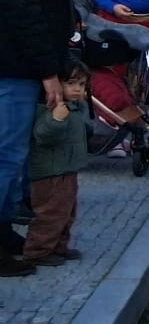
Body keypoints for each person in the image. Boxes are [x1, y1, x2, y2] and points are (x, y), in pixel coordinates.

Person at [0, 0, 77, 277]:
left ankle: (5, 234)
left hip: (24, 65)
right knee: (6, 156)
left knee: (14, 157)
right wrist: (49, 71)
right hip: (12, 67)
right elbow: (23, 13)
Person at [19, 60, 88, 268]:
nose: (77, 89)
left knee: (67, 211)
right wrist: (56, 120)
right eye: (71, 83)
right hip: (50, 172)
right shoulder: (49, 108)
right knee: (50, 212)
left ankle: (58, 246)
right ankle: (37, 250)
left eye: (82, 84)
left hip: (67, 168)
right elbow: (42, 135)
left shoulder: (74, 108)